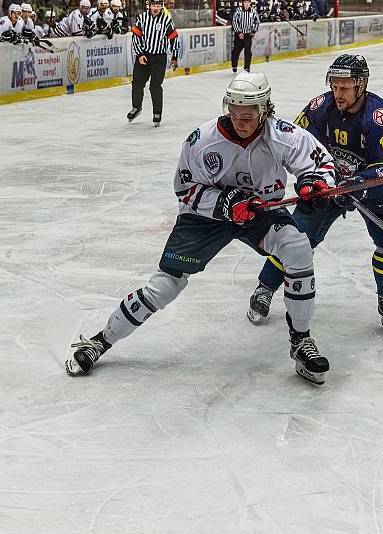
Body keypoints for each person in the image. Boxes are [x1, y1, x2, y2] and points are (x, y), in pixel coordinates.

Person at [66, 72, 336, 385]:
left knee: (297, 247)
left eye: (248, 116)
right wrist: (224, 202)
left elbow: (320, 165)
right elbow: (184, 188)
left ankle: (301, 340)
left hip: (260, 211)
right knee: (166, 285)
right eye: (234, 113)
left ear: (264, 111)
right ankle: (100, 340)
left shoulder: (283, 135)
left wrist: (314, 185)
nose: (240, 121)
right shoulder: (202, 139)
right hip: (205, 217)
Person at [248, 54, 383, 336]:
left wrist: (359, 182)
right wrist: (309, 180)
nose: (338, 93)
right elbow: (292, 144)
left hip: (372, 186)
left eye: (345, 87)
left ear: (361, 85)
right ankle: (264, 288)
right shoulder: (319, 108)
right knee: (294, 239)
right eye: (334, 86)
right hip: (328, 184)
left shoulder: (379, 117)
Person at [128, 0, 180, 126]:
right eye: (153, 5)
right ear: (149, 6)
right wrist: (140, 54)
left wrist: (175, 56)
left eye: (158, 5)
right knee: (137, 83)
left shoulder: (166, 20)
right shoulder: (142, 18)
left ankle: (157, 113)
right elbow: (136, 37)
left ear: (161, 7)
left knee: (155, 86)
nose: (155, 8)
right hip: (144, 55)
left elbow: (174, 38)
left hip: (159, 58)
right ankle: (136, 107)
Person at [231, 0, 259, 73]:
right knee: (236, 51)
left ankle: (247, 67)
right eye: (245, 2)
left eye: (248, 2)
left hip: (248, 35)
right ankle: (234, 65)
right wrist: (239, 32)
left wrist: (253, 31)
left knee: (248, 51)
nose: (246, 4)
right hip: (239, 34)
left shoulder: (253, 11)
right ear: (243, 3)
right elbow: (234, 21)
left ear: (250, 3)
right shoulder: (238, 11)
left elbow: (257, 22)